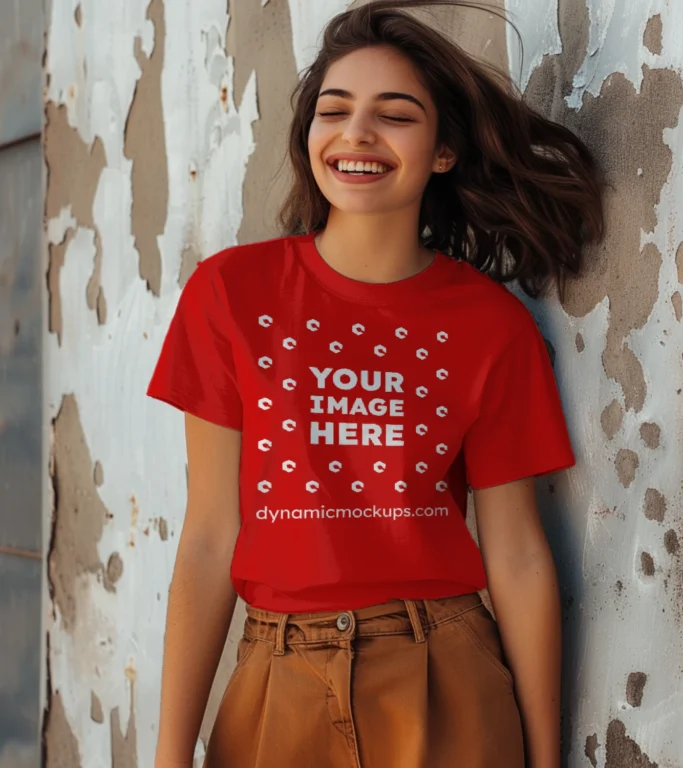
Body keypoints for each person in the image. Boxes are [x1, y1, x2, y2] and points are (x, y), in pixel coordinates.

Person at [147, 1, 603, 766]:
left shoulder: (493, 326)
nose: (357, 133)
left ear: (444, 151)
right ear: (310, 136)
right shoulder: (229, 295)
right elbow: (207, 538)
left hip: (446, 673)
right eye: (336, 110)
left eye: (394, 115)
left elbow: (518, 553)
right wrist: (167, 755)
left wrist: (544, 755)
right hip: (275, 682)